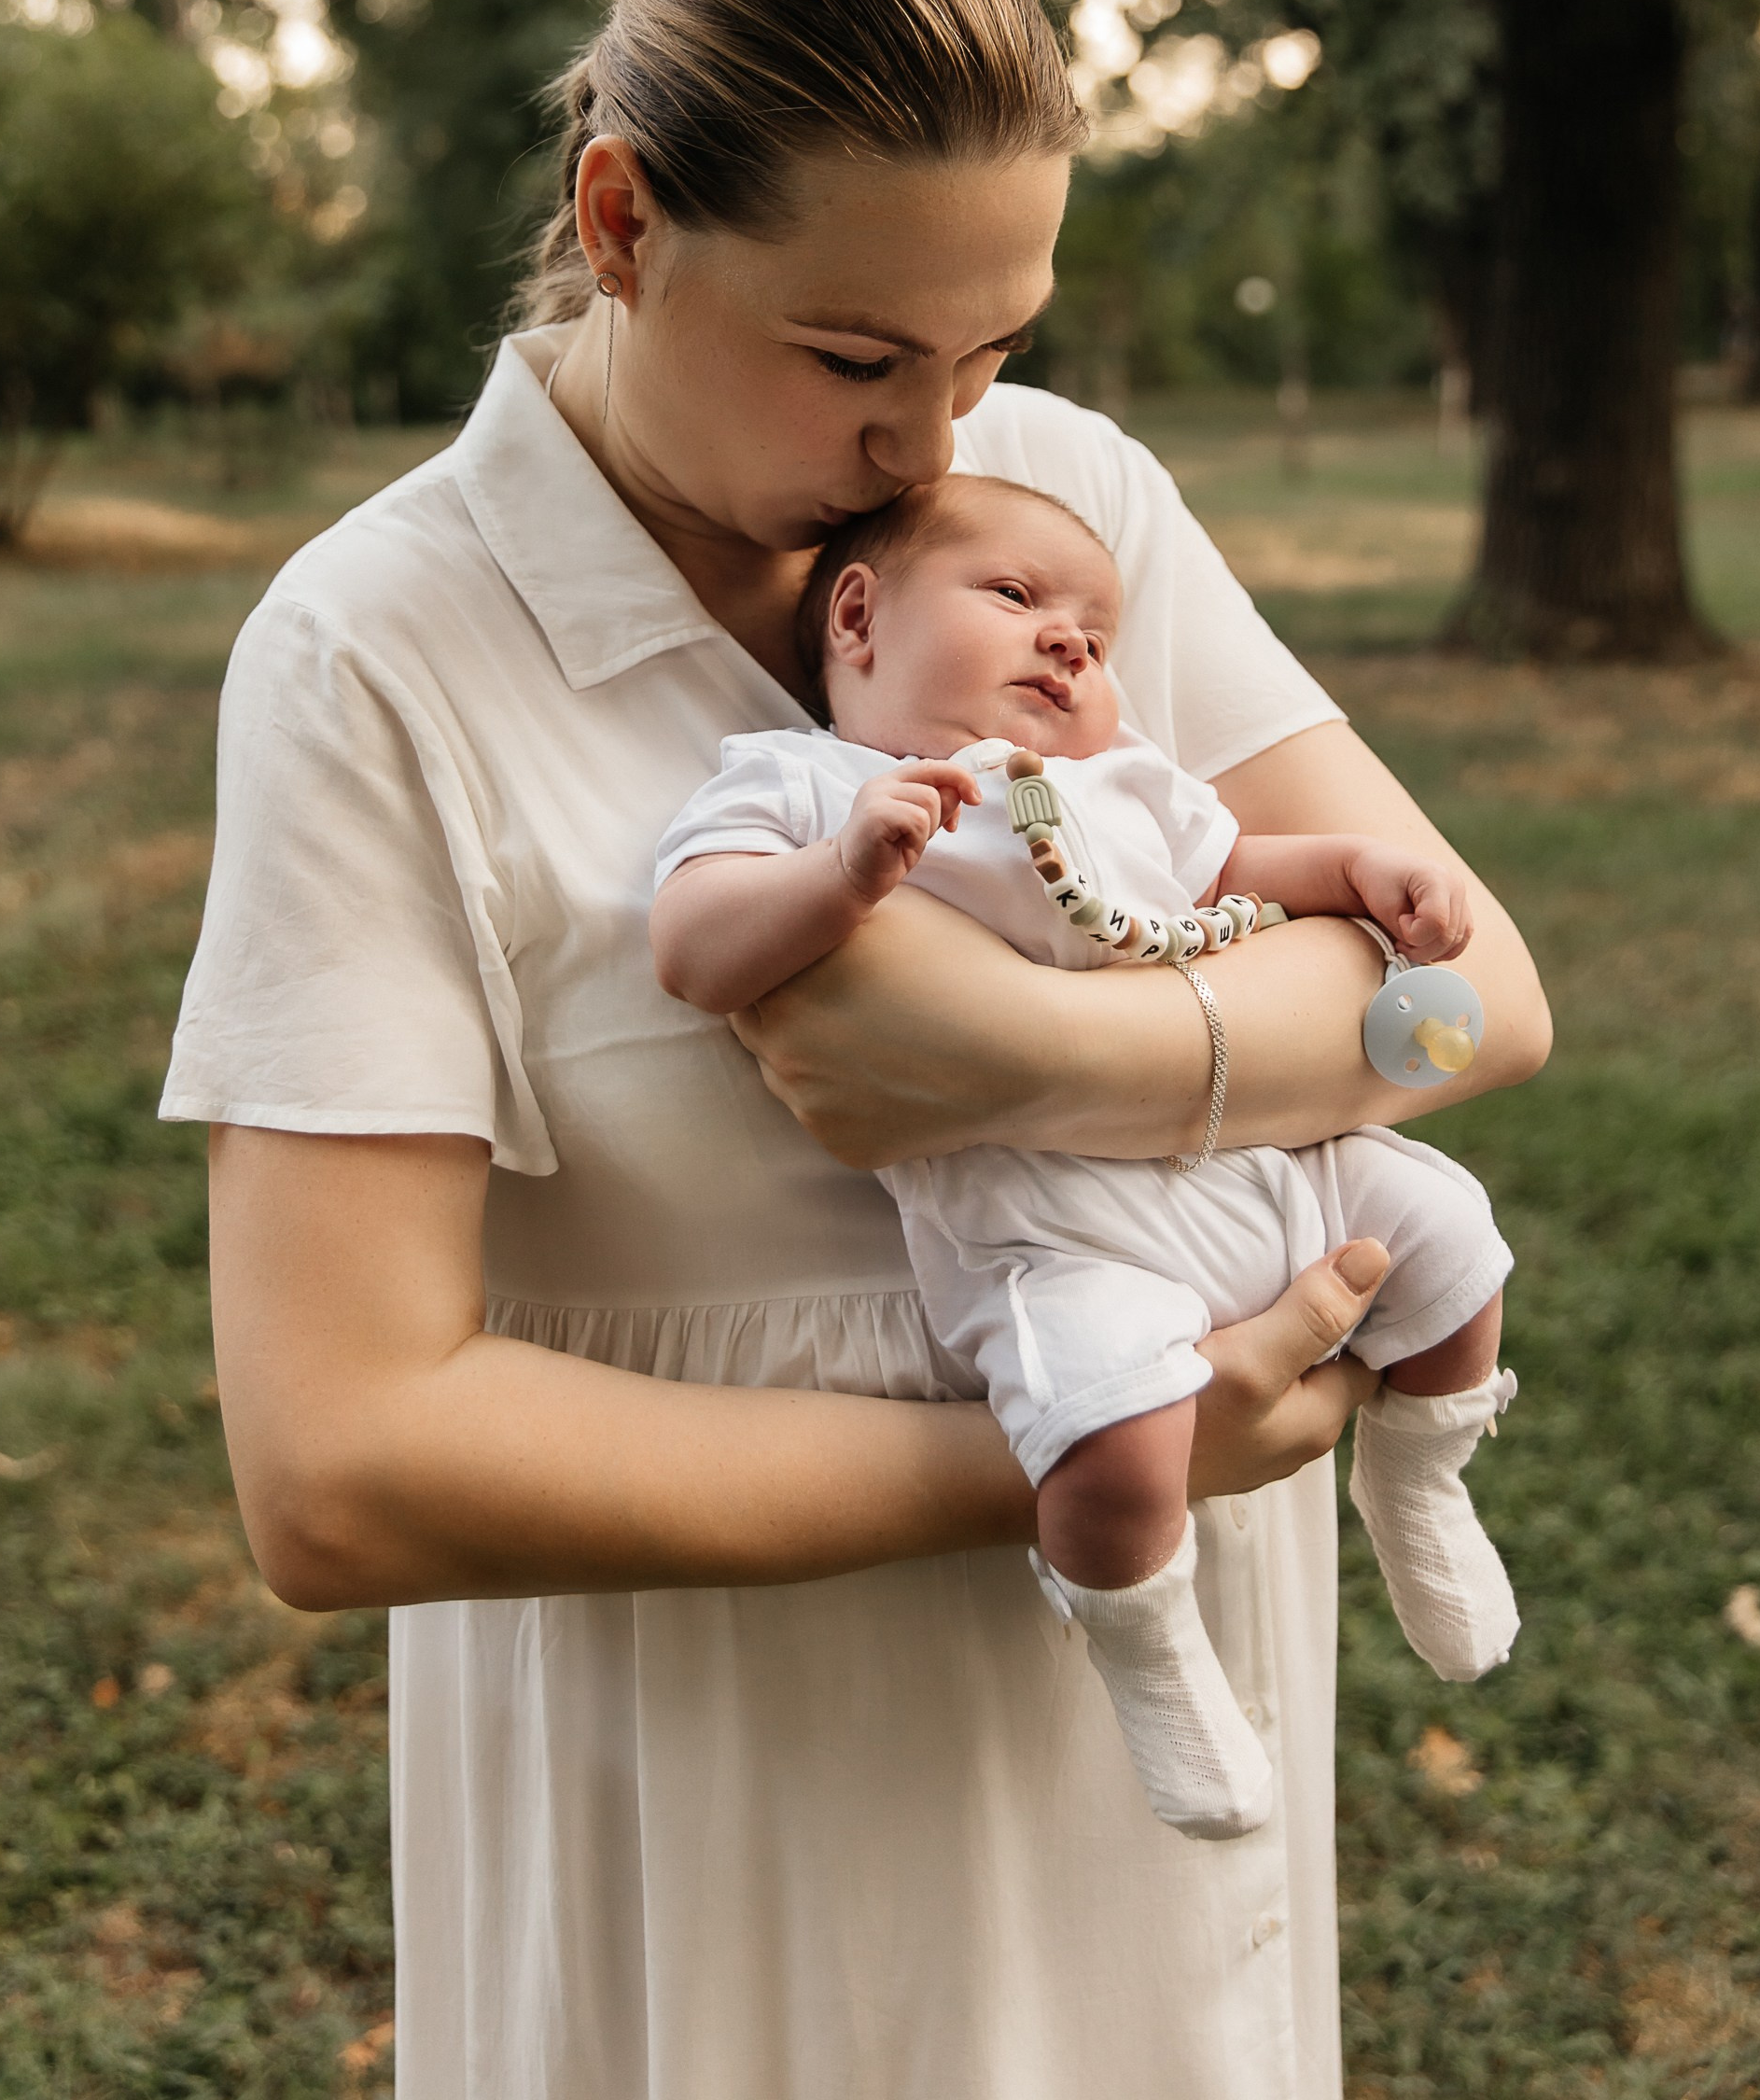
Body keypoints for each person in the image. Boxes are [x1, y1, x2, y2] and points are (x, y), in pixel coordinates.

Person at [164, 0, 1551, 2100]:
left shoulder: (1055, 509)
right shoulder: (373, 654)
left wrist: (1050, 1051)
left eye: (994, 347)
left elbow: (1479, 1000)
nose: (933, 445)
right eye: (854, 357)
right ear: (623, 221)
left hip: (1133, 1805)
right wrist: (1088, 1464)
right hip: (716, 1814)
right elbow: (340, 1467)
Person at [650, 472, 1519, 1846]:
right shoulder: (808, 782)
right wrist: (843, 877)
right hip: (1056, 1238)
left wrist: (1359, 868)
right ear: (861, 618)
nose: (1069, 641)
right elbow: (691, 945)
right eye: (1017, 599)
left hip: (1265, 1172)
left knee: (1456, 1243)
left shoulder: (1125, 785)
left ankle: (1418, 1468)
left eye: (1096, 635)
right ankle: (1149, 1644)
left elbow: (1249, 860)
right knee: (1113, 1447)